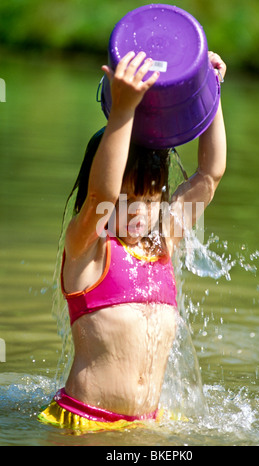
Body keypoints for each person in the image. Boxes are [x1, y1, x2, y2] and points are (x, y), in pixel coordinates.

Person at [38, 50, 226, 431]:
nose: (140, 212)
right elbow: (100, 198)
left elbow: (210, 174)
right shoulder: (88, 249)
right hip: (85, 424)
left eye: (150, 198)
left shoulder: (162, 245)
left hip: (145, 426)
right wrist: (123, 110)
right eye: (128, 201)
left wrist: (210, 93)